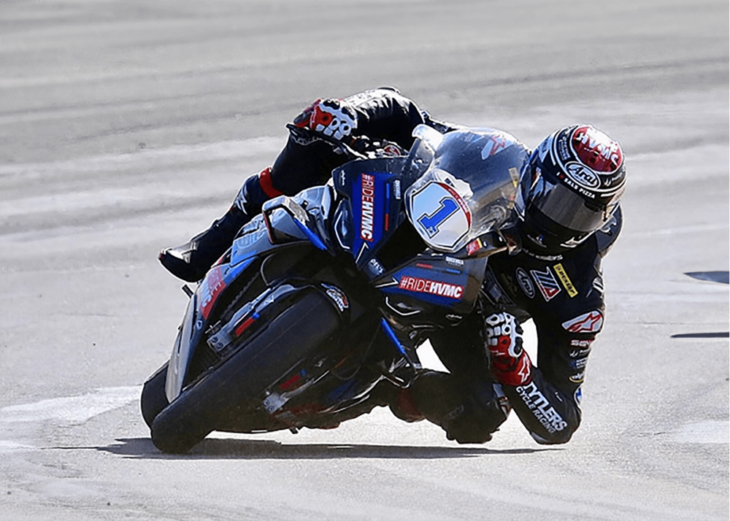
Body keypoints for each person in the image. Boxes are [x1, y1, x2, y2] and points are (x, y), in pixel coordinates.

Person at [159, 87, 626, 445]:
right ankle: (215, 241)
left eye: (579, 213)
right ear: (535, 172)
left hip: (462, 316)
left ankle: (388, 388)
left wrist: (516, 364)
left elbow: (562, 419)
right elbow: (409, 116)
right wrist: (351, 114)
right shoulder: (498, 158)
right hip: (417, 247)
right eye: (556, 198)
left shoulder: (579, 296)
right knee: (317, 134)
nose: (560, 218)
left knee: (483, 410)